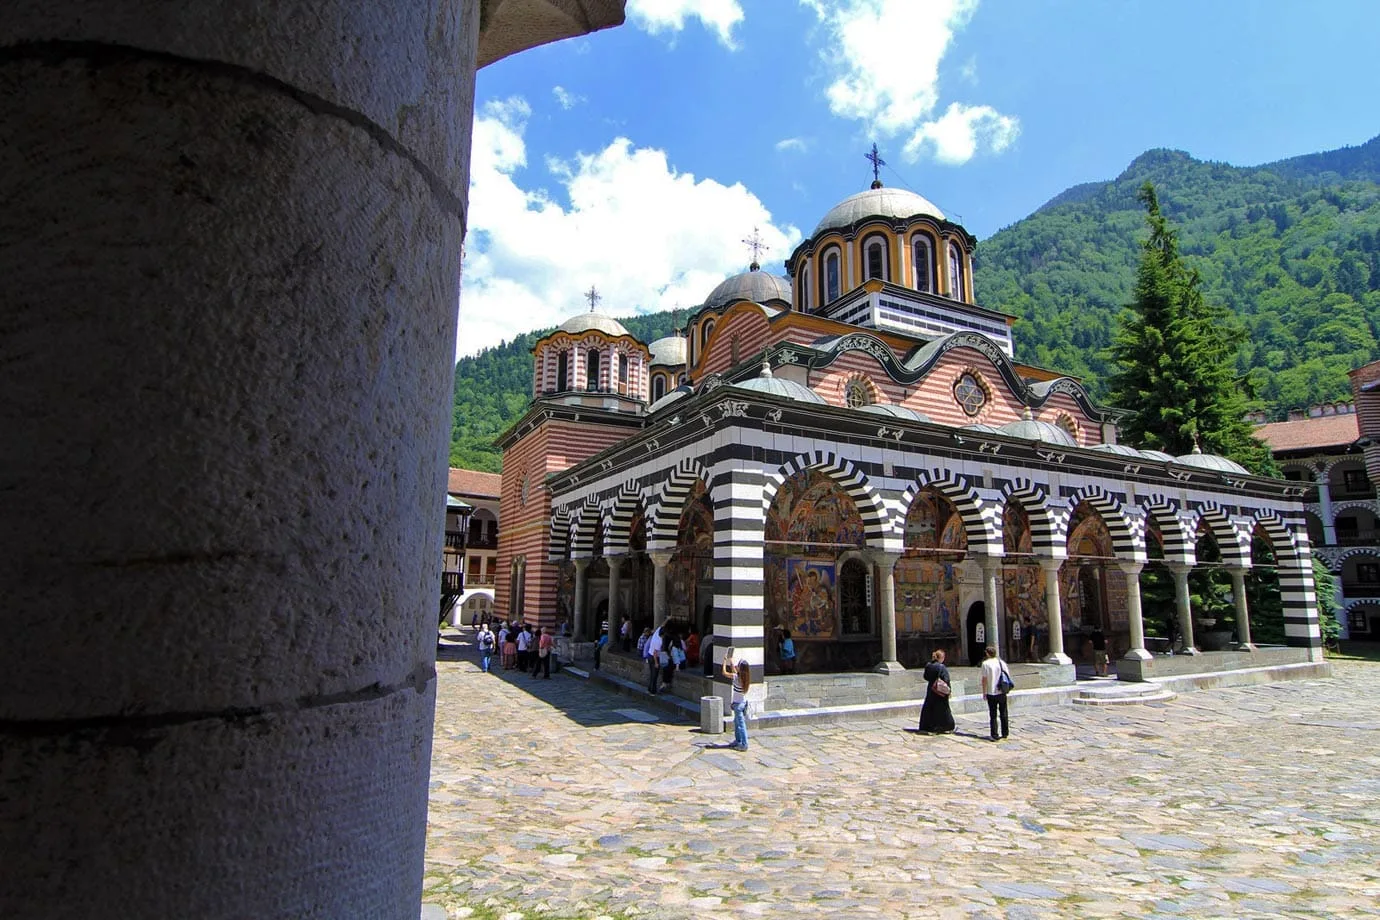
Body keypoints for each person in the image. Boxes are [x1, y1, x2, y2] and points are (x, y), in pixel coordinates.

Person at [917, 649, 954, 734]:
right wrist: (949, 691)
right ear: (941, 658)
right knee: (943, 710)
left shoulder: (928, 665)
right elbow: (946, 679)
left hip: (931, 689)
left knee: (929, 708)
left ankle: (927, 727)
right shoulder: (941, 667)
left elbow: (925, 677)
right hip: (940, 691)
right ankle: (945, 727)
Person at [980, 645, 1012, 741]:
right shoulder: (1001, 663)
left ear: (987, 653)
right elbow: (1007, 676)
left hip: (991, 692)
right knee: (1004, 712)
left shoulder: (985, 664)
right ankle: (1005, 732)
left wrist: (984, 692)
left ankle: (994, 734)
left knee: (993, 714)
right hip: (1001, 691)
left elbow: (984, 679)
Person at [723, 649, 750, 752]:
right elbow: (734, 669)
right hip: (742, 703)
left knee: (741, 725)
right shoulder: (745, 678)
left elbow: (724, 673)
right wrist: (731, 661)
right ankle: (738, 741)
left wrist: (725, 661)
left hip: (738, 705)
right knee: (737, 723)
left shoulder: (736, 677)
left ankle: (744, 744)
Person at [644, 626, 663, 695]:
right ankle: (652, 691)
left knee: (652, 674)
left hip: (649, 655)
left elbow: (662, 625)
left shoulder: (655, 634)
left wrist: (668, 619)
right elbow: (655, 653)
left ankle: (649, 689)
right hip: (653, 657)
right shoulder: (659, 641)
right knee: (654, 675)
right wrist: (656, 663)